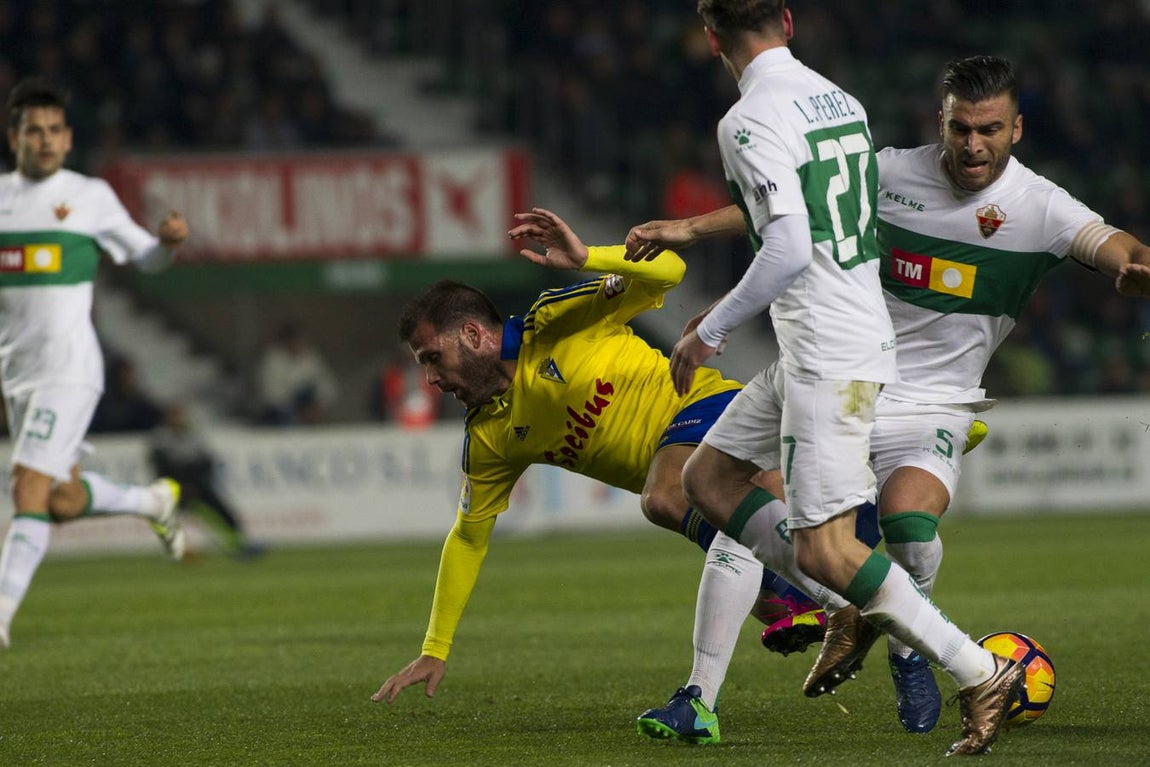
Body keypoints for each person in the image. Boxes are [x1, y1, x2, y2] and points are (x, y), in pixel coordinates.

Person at [630, 51, 1150, 745]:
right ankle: (845, 622)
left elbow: (1119, 247)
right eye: (960, 127)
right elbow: (785, 206)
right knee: (738, 496)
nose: (973, 144)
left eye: (989, 129)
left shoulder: (1041, 207)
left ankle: (906, 641)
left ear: (1016, 129)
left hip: (935, 403)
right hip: (848, 369)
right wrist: (693, 229)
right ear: (941, 120)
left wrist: (1136, 270)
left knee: (906, 521)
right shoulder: (889, 173)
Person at [371, 207, 846, 708]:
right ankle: (905, 644)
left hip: (708, 407)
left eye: (432, 359)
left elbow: (670, 271)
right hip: (697, 475)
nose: (430, 380)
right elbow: (468, 538)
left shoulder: (555, 320)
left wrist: (586, 258)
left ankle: (774, 614)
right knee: (830, 558)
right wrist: (435, 649)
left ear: (472, 335)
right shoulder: (491, 436)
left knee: (665, 498)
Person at [0, 77, 190, 649]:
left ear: (68, 137)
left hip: (69, 367)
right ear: (15, 138)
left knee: (27, 488)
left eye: (56, 130)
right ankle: (151, 500)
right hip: (17, 373)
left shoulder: (90, 196)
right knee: (58, 501)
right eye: (35, 131)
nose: (47, 140)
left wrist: (169, 244)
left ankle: (1, 614)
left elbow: (146, 258)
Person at [148, 403, 264, 560]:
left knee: (223, 511)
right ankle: (178, 550)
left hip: (198, 485)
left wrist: (197, 483)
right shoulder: (162, 440)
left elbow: (206, 462)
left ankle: (239, 542)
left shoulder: (193, 436)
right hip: (174, 488)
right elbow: (161, 468)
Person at [255, 320, 339, 426]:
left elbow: (327, 385)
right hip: (280, 413)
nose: (298, 344)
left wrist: (316, 405)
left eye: (301, 340)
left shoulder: (311, 358)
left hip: (311, 410)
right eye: (295, 340)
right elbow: (270, 394)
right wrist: (297, 408)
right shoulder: (273, 360)